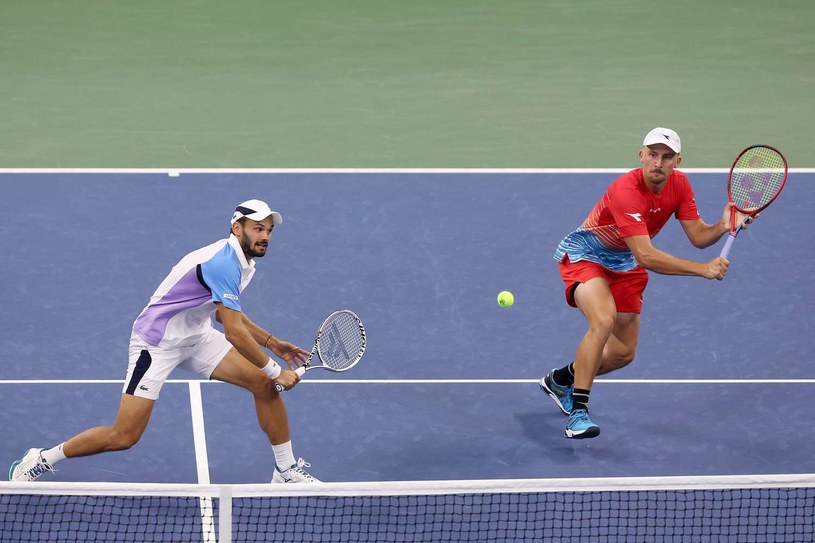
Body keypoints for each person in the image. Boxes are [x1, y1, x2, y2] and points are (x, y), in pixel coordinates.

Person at [10, 199, 319, 482]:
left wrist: (272, 342)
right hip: (156, 344)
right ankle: (42, 458)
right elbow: (234, 332)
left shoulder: (242, 261)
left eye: (268, 230)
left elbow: (226, 317)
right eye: (257, 228)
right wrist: (275, 370)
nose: (264, 236)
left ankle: (285, 469)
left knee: (263, 386)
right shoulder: (223, 263)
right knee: (124, 436)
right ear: (237, 228)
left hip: (196, 336)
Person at [539, 128, 755, 439]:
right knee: (603, 319)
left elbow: (697, 237)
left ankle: (562, 380)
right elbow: (646, 255)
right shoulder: (625, 190)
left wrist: (722, 225)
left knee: (624, 353)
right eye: (652, 154)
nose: (658, 162)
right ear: (641, 155)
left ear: (677, 162)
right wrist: (702, 270)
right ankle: (578, 414)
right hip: (587, 255)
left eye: (667, 157)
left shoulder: (679, 185)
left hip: (624, 262)